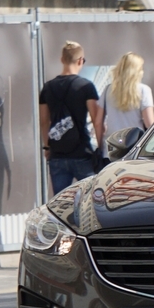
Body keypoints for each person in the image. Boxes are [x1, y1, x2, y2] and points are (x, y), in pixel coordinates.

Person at [39, 41, 105, 194]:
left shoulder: (47, 88)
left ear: (62, 59)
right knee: (89, 201)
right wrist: (99, 147)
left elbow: (44, 121)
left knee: (60, 205)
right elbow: (96, 120)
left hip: (57, 155)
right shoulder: (85, 86)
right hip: (82, 153)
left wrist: (47, 146)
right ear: (80, 60)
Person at [101, 52, 154, 134]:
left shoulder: (108, 89)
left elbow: (98, 122)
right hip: (134, 143)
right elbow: (150, 124)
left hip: (111, 143)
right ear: (137, 71)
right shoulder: (144, 90)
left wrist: (101, 144)